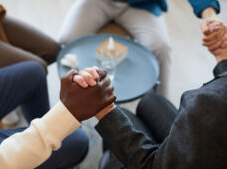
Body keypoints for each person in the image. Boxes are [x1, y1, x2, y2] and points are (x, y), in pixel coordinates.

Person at [0, 21, 117, 169]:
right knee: (77, 140)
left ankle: (38, 144)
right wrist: (66, 115)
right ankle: (41, 146)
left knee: (35, 71)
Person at [72, 21, 227, 168]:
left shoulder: (208, 103)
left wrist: (104, 111)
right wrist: (223, 62)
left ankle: (109, 159)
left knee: (122, 115)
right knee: (151, 100)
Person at [51, 0, 222, 97]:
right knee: (67, 39)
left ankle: (161, 107)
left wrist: (210, 16)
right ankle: (71, 103)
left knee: (160, 49)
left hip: (143, 4)